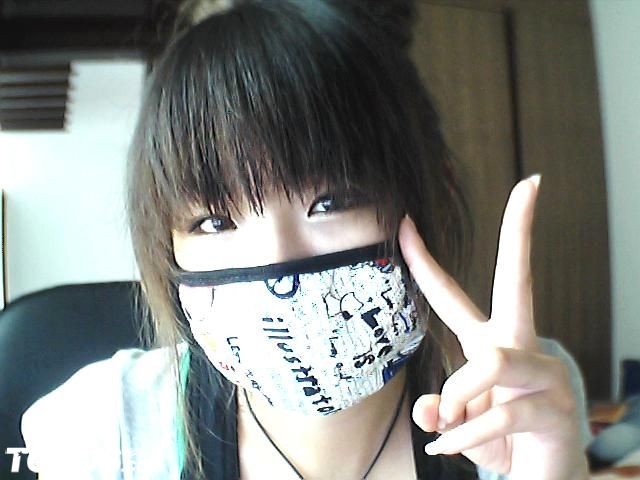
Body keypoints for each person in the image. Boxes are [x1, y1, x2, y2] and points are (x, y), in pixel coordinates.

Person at [21, 0, 592, 478]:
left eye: (331, 202)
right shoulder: (104, 430)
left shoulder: (518, 400)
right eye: (214, 222)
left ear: (424, 198)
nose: (277, 263)